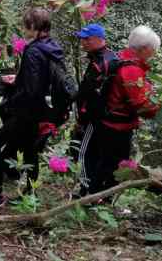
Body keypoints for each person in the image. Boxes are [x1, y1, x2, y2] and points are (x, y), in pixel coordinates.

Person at [0, 7, 65, 207]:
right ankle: (30, 195)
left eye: (25, 25)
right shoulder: (52, 47)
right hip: (43, 111)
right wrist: (19, 79)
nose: (23, 29)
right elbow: (42, 81)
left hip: (26, 112)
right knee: (30, 151)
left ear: (33, 26)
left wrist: (11, 100)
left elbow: (31, 90)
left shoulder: (33, 51)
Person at [86, 25, 162, 196]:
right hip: (115, 127)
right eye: (153, 50)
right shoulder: (131, 69)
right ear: (144, 49)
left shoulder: (121, 58)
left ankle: (98, 199)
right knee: (111, 167)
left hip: (109, 122)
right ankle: (96, 200)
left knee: (109, 165)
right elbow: (141, 105)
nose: (153, 54)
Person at [71, 23, 117, 197]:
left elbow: (92, 96)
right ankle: (93, 191)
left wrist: (82, 119)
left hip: (95, 118)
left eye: (87, 39)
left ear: (99, 39)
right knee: (94, 154)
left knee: (82, 152)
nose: (83, 42)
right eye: (82, 39)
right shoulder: (108, 57)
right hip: (103, 117)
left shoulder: (102, 63)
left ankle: (85, 191)